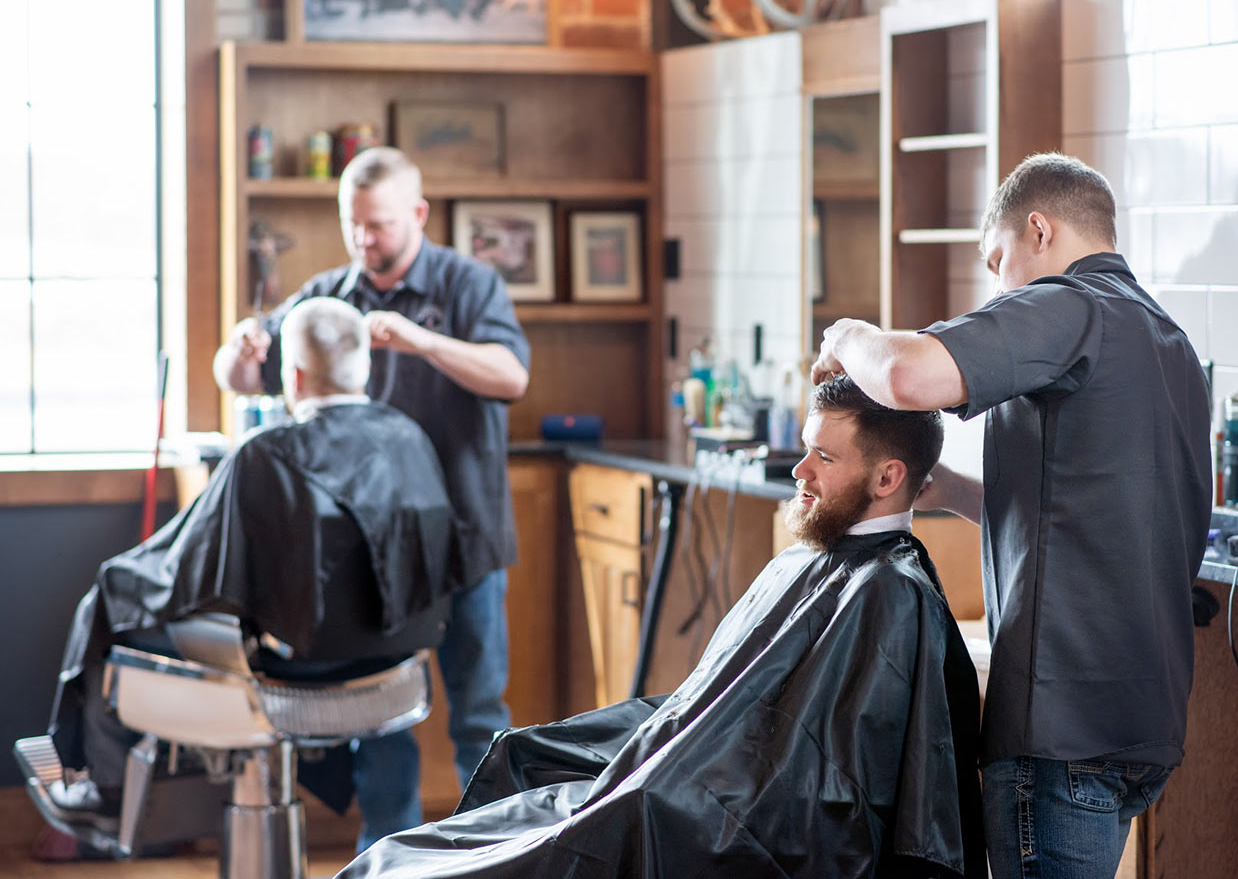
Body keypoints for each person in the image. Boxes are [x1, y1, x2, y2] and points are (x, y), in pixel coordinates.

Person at [333, 375, 985, 879]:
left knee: (433, 863)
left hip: (714, 816)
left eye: (822, 456)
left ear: (888, 476)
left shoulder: (889, 594)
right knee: (517, 758)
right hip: (688, 778)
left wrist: (659, 788)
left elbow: (830, 796)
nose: (798, 471)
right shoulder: (818, 559)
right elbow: (719, 709)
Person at [811, 152, 1212, 878]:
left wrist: (842, 336)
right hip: (1141, 728)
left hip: (1060, 733)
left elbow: (906, 374)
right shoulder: (1169, 342)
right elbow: (1084, 509)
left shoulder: (1070, 306)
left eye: (998, 260)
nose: (998, 286)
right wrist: (944, 488)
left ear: (1039, 230)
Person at [36, 297, 458, 849]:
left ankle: (105, 790)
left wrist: (115, 583)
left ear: (295, 374)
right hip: (394, 675)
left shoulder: (268, 452)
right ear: (365, 368)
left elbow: (183, 566)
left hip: (286, 676)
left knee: (110, 607)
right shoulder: (411, 438)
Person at [213, 146, 530, 850]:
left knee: (479, 710)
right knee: (382, 711)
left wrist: (422, 341)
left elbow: (511, 378)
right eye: (353, 225)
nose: (365, 241)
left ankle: (497, 854)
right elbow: (248, 373)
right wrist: (238, 355)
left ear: (417, 214)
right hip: (373, 551)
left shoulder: (470, 285)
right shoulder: (332, 292)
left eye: (380, 226)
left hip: (465, 536)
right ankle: (388, 855)